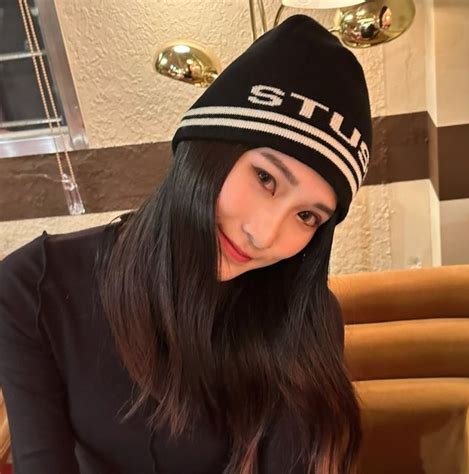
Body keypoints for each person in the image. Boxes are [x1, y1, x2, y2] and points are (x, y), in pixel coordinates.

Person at [0, 14, 372, 474]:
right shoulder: (36, 288)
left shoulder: (305, 319)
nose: (263, 235)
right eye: (265, 178)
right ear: (206, 147)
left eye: (307, 216)